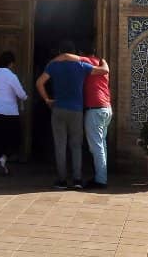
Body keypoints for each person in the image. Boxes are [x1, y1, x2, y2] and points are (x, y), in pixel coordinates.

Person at [35, 39, 108, 189]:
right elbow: (101, 71)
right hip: (76, 110)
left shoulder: (54, 66)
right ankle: (77, 180)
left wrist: (47, 99)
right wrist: (104, 63)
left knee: (60, 145)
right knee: (76, 145)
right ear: (75, 53)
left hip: (59, 109)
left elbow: (39, 82)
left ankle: (61, 180)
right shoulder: (81, 65)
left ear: (61, 52)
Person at [0, 51, 27, 175]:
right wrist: (26, 97)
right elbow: (20, 93)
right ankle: (3, 160)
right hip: (10, 113)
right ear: (11, 63)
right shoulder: (11, 76)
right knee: (14, 140)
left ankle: (1, 161)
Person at [81, 47, 111, 189]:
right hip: (106, 108)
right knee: (102, 145)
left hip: (95, 109)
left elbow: (69, 58)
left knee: (97, 146)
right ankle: (101, 176)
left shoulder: (86, 61)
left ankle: (100, 179)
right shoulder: (101, 63)